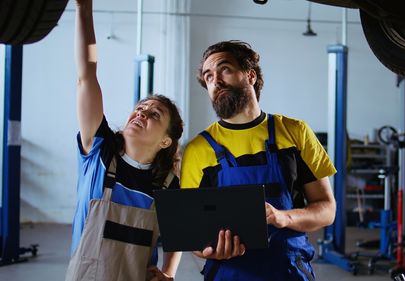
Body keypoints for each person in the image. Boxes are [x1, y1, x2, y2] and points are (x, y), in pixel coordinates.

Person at [180, 40, 336, 280]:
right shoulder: (197, 149)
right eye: (208, 77)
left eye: (225, 69)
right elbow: (191, 233)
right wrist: (210, 251)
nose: (216, 81)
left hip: (288, 271)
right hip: (228, 274)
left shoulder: (295, 132)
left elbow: (327, 210)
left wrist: (285, 217)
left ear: (250, 75)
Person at [66, 1, 183, 280]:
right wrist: (84, 9)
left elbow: (177, 235)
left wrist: (168, 274)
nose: (141, 113)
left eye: (154, 113)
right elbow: (86, 77)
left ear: (166, 141)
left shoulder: (167, 182)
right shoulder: (99, 150)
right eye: (140, 108)